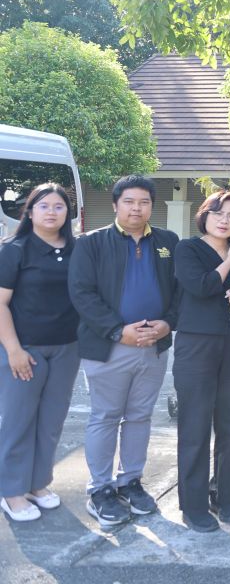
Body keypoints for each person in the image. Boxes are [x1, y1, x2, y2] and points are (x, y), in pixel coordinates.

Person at [69, 175, 180, 529]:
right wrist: (119, 331)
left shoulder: (167, 242)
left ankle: (130, 481)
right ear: (116, 204)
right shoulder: (91, 243)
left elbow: (180, 290)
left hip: (154, 346)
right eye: (129, 201)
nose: (137, 208)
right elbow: (81, 293)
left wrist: (167, 324)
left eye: (144, 202)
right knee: (105, 416)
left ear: (152, 206)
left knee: (140, 416)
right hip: (109, 346)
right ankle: (100, 489)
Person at [172, 190, 230, 532]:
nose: (225, 220)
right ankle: (193, 506)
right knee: (194, 425)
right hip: (197, 345)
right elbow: (202, 287)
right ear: (204, 216)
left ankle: (224, 495)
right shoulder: (187, 249)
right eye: (218, 213)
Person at [0, 184, 80, 523]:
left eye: (59, 206)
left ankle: (37, 483)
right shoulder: (14, 250)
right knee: (18, 421)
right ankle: (11, 490)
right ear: (30, 212)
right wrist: (13, 350)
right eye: (44, 206)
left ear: (67, 213)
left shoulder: (78, 250)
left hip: (67, 348)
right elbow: (1, 304)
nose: (51, 212)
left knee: (51, 421)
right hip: (25, 349)